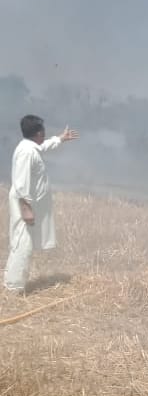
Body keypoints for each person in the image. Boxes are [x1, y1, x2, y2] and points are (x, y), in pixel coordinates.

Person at [4, 116, 79, 295]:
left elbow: (43, 146)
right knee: (23, 245)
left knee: (22, 242)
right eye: (43, 132)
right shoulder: (27, 152)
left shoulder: (29, 147)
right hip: (24, 205)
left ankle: (11, 282)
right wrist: (26, 209)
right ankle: (13, 288)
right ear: (39, 133)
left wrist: (60, 138)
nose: (44, 135)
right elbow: (22, 184)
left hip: (26, 204)